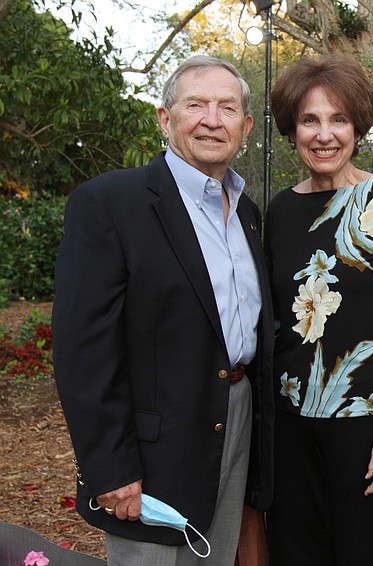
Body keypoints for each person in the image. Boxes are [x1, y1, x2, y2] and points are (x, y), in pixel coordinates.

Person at [52, 55, 274, 566]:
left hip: (235, 420)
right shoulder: (110, 203)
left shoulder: (247, 213)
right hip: (154, 450)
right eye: (196, 105)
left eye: (227, 108)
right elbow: (84, 352)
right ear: (164, 117)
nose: (212, 120)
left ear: (245, 127)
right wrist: (110, 467)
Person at [264, 53, 373, 565]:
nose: (325, 135)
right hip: (289, 426)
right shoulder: (279, 210)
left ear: (357, 128)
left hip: (366, 423)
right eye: (310, 120)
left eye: (338, 119)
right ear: (291, 130)